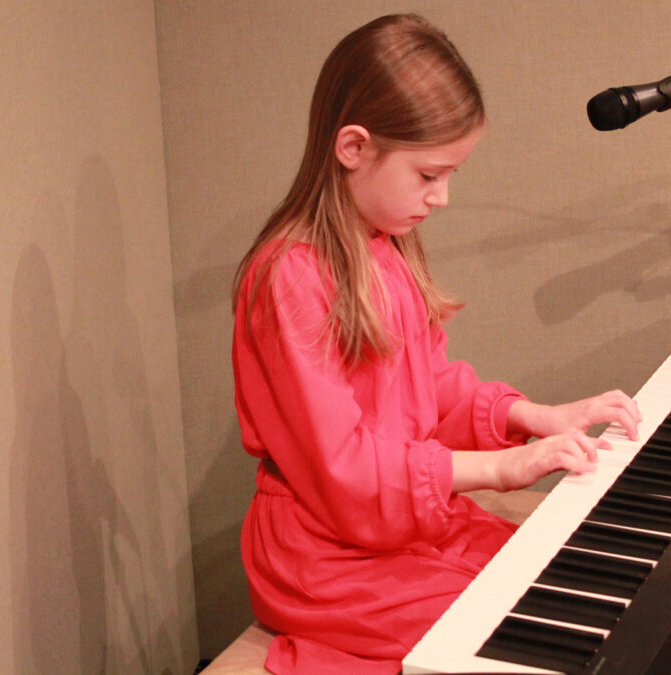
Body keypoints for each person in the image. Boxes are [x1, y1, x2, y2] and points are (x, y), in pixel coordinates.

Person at [230, 13, 641, 674]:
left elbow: (430, 392)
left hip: (395, 524)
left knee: (563, 580)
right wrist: (501, 470)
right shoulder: (290, 277)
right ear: (353, 148)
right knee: (512, 631)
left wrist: (533, 416)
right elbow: (345, 468)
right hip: (325, 553)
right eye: (428, 174)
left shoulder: (385, 245)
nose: (443, 197)